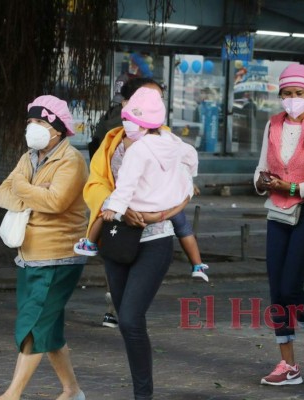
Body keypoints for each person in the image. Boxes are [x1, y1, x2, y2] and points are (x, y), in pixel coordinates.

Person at [82, 87, 191, 400]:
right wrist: (121, 208)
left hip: (155, 239)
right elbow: (96, 184)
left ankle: (143, 396)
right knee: (128, 323)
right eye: (137, 98)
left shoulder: (169, 143)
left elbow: (186, 189)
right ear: (125, 103)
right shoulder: (112, 140)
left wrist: (161, 214)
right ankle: (141, 392)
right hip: (117, 237)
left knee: (129, 317)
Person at [0, 95, 88, 400]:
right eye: (31, 121)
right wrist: (33, 192)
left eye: (40, 122)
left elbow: (55, 202)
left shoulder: (71, 160)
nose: (33, 128)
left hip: (58, 257)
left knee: (33, 325)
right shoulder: (28, 157)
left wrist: (22, 188)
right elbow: (1, 194)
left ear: (58, 129)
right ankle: (72, 391)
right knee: (50, 328)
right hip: (28, 254)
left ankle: (12, 395)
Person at [254, 63, 304, 386]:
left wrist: (296, 188)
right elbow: (260, 168)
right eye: (287, 93)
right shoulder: (272, 125)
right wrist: (261, 181)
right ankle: (288, 365)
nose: (292, 99)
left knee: (290, 286)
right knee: (276, 290)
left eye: (298, 93)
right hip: (278, 212)